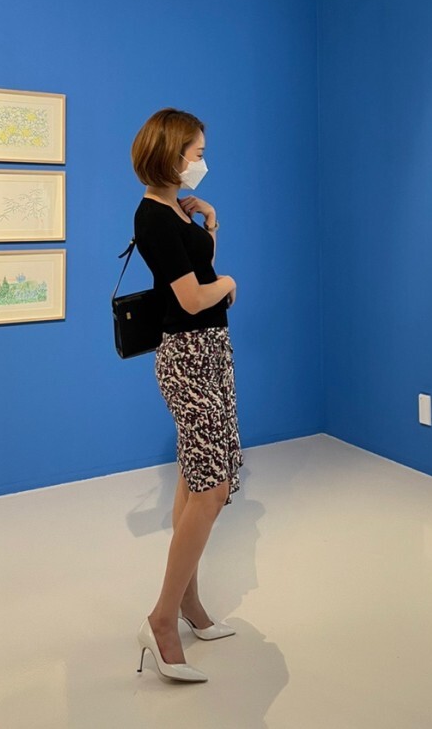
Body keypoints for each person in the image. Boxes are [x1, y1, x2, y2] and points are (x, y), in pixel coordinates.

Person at [130, 107, 243, 684]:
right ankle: (162, 619)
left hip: (210, 352)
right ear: (172, 154)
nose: (203, 161)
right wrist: (230, 285)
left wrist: (210, 223)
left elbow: (199, 270)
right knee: (211, 486)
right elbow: (196, 298)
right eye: (197, 153)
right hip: (189, 358)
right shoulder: (152, 216)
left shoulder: (177, 208)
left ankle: (191, 606)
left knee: (194, 480)